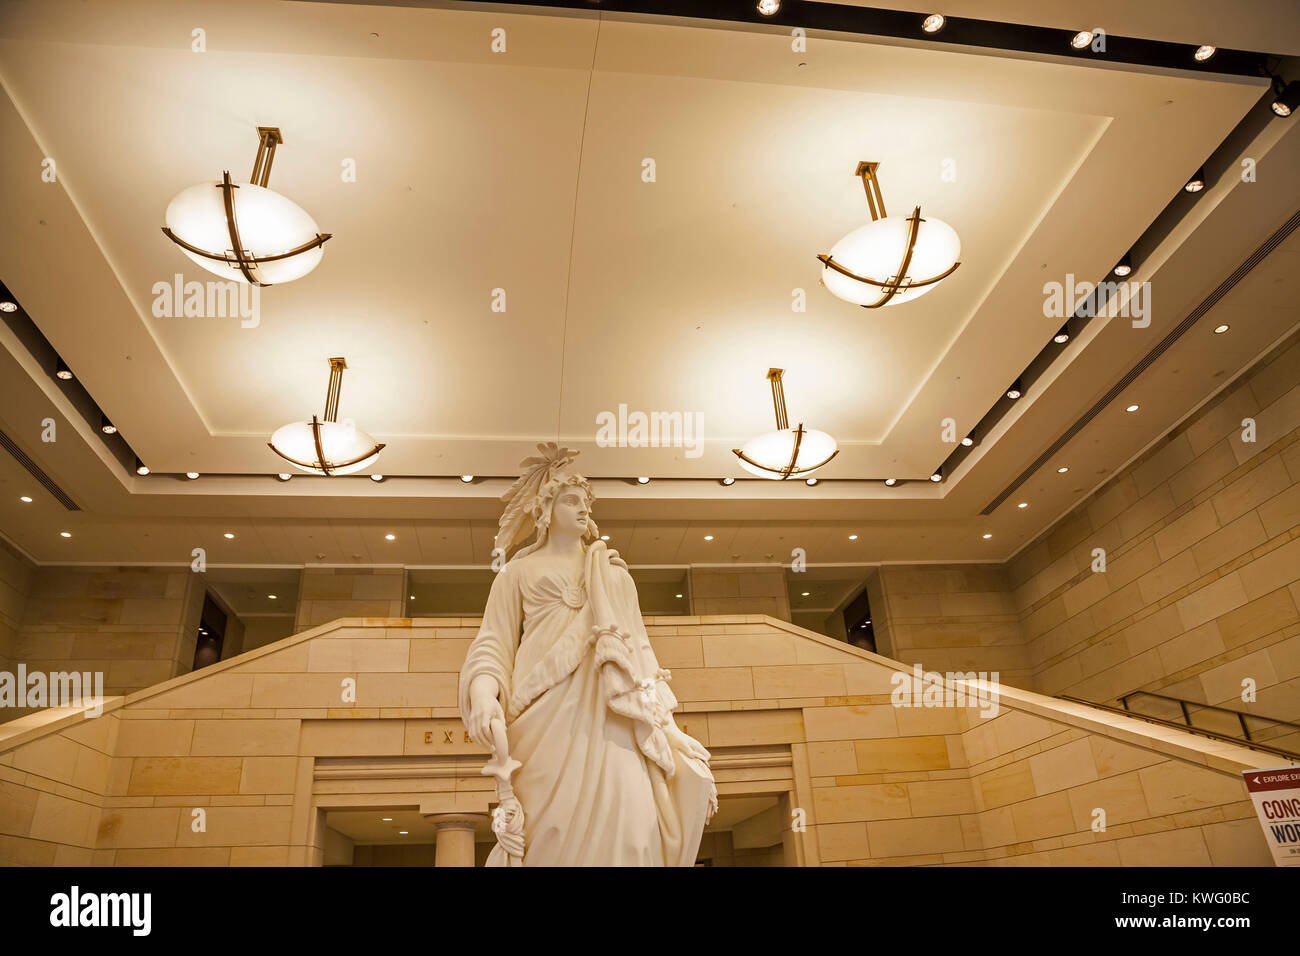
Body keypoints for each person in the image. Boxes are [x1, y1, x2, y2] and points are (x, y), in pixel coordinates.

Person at [459, 443, 716, 865]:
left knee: (632, 825)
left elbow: (642, 657)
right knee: (548, 833)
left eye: (586, 502)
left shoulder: (612, 575)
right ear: (546, 509)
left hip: (613, 717)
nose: (583, 509)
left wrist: (669, 728)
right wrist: (484, 694)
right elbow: (493, 642)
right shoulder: (517, 573)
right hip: (542, 718)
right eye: (572, 500)